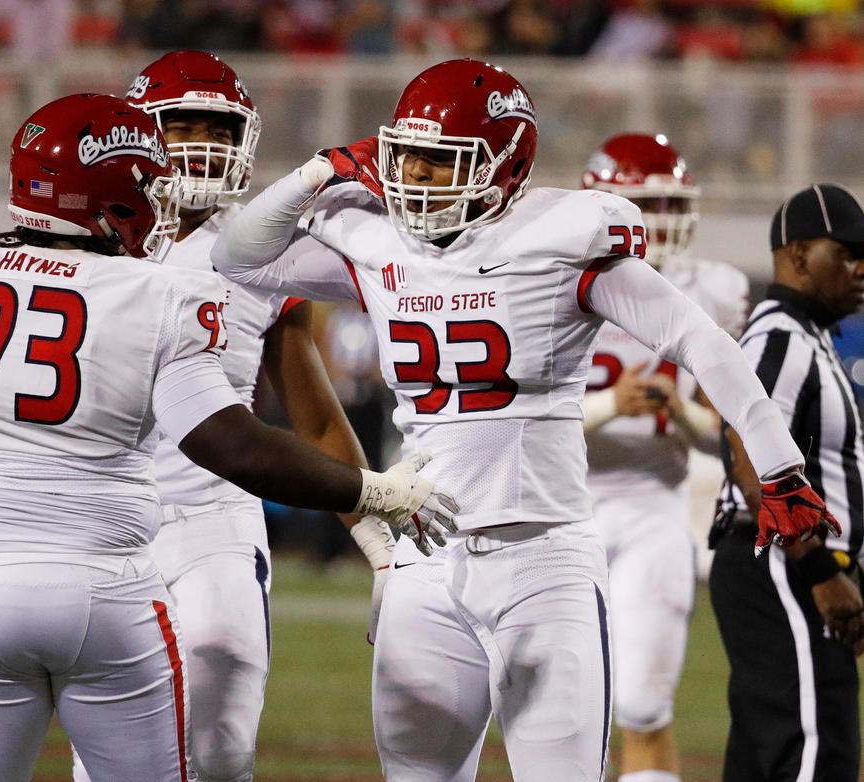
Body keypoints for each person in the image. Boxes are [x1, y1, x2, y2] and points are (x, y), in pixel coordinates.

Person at [0, 93, 459, 782]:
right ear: (115, 193)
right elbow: (232, 445)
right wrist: (373, 492)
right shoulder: (158, 296)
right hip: (105, 588)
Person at [211, 58, 840, 781]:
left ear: (506, 164)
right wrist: (319, 170)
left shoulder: (559, 238)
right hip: (426, 556)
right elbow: (238, 257)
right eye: (407, 156)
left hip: (544, 559)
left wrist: (781, 465)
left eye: (441, 162)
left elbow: (701, 341)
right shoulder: (377, 243)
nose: (414, 177)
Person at [69, 50, 389, 782]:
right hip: (102, 512)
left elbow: (312, 418)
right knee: (115, 756)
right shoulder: (83, 228)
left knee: (222, 726)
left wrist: (379, 546)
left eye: (214, 128)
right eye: (176, 125)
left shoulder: (264, 248)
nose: (196, 144)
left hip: (213, 512)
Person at [579, 133, 749, 782]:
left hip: (654, 510)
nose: (663, 222)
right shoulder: (548, 276)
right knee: (564, 716)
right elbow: (512, 424)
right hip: (562, 511)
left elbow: (729, 442)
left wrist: (680, 413)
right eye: (647, 205)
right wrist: (607, 407)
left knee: (645, 704)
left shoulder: (712, 289)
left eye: (672, 205)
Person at [710, 183, 864, 782]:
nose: (859, 270)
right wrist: (822, 571)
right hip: (784, 563)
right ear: (798, 254)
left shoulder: (806, 337)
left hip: (787, 563)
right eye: (847, 253)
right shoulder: (781, 336)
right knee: (813, 758)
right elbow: (749, 452)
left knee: (767, 760)